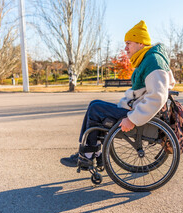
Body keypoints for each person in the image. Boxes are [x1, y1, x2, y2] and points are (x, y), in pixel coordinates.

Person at [61, 20, 176, 169]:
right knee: (94, 104)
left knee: (96, 109)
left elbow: (157, 97)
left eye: (129, 43)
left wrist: (133, 119)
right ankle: (91, 153)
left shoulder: (153, 61)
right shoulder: (147, 59)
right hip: (133, 108)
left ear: (141, 43)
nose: (125, 47)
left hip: (137, 114)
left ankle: (88, 155)